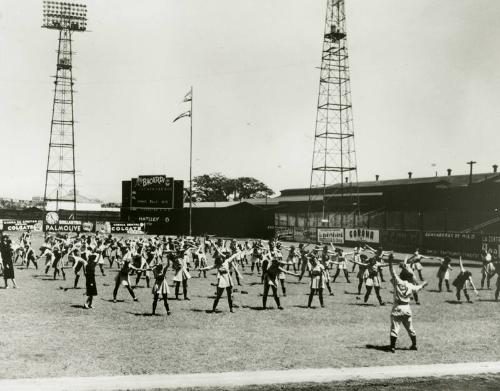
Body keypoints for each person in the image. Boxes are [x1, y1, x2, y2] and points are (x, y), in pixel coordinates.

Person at [388, 255, 428, 353]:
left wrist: (390, 262)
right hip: (407, 308)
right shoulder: (410, 285)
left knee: (395, 328)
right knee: (410, 328)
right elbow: (419, 287)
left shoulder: (397, 281)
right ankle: (414, 345)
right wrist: (424, 284)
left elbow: (392, 272)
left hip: (397, 307)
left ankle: (392, 347)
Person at [200, 248, 243, 313]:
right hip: (222, 280)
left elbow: (234, 255)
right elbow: (209, 268)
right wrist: (202, 269)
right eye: (221, 259)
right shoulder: (217, 265)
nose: (222, 259)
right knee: (218, 296)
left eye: (222, 259)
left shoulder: (227, 261)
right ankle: (213, 309)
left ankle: (231, 309)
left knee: (230, 295)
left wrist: (240, 252)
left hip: (228, 279)